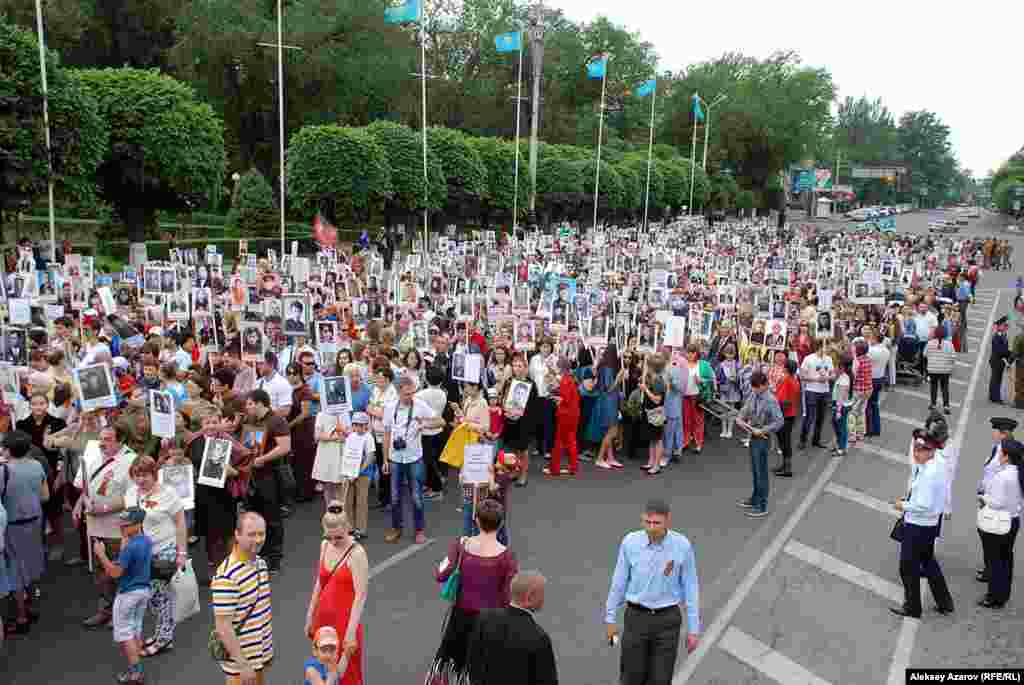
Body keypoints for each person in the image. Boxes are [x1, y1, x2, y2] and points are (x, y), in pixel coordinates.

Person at [604, 498, 700, 685]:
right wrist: (610, 619)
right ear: (642, 519)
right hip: (636, 618)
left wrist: (693, 629)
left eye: (657, 523)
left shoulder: (682, 546)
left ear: (668, 520)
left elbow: (691, 587)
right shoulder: (630, 542)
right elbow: (619, 582)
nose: (651, 528)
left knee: (661, 680)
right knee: (631, 678)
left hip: (667, 620)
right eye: (647, 522)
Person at [430, 500, 519, 684]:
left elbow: (440, 574)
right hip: (492, 622)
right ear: (501, 523)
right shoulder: (508, 556)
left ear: (476, 520)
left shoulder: (461, 545)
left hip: (461, 618)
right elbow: (508, 596)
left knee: (455, 665)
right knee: (486, 670)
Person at [75, 425, 138, 628]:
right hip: (95, 525)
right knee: (100, 572)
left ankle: (122, 613)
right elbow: (87, 487)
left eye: (108, 439)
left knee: (120, 570)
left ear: (121, 441)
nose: (102, 443)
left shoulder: (131, 461)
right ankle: (105, 610)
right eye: (101, 438)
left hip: (117, 527)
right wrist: (78, 504)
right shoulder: (95, 458)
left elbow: (132, 496)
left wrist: (103, 508)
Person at [123, 455, 187, 656]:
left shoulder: (168, 494)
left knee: (160, 597)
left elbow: (180, 523)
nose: (140, 479)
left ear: (154, 474)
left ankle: (164, 639)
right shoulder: (131, 493)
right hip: (142, 553)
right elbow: (130, 524)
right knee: (152, 598)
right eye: (136, 475)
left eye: (145, 475)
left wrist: (181, 552)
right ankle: (161, 633)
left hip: (164, 550)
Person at [890, 429, 954, 619]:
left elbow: (923, 505)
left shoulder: (929, 473)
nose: (916, 453)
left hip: (918, 525)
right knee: (928, 561)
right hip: (930, 524)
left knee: (907, 567)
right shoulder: (936, 464)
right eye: (916, 449)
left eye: (921, 450)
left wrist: (903, 505)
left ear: (931, 450)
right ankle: (944, 602)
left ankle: (913, 607)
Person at [304, 503, 368, 684]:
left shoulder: (357, 553)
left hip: (345, 623)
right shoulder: (324, 545)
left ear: (348, 527)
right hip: (323, 621)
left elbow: (361, 595)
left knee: (347, 674)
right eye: (329, 536)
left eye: (338, 537)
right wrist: (310, 615)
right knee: (323, 671)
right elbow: (319, 583)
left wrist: (351, 632)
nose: (333, 541)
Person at [465, 571, 558, 685]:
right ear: (529, 597)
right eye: (542, 594)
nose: (543, 599)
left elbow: (472, 664)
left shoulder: (484, 619)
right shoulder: (539, 637)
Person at [212, 512, 273, 685]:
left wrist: (266, 652)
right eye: (251, 534)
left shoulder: (260, 563)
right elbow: (223, 626)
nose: (258, 540)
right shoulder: (227, 576)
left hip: (259, 656)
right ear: (237, 535)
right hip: (241, 667)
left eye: (261, 534)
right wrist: (243, 665)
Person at [382, 373, 444, 544]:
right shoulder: (389, 407)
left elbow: (441, 422)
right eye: (406, 394)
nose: (410, 396)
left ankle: (419, 530)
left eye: (412, 393)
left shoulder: (420, 405)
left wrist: (425, 424)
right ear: (398, 392)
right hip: (395, 458)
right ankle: (396, 528)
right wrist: (385, 459)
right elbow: (386, 433)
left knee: (416, 496)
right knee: (395, 497)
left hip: (414, 458)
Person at [93, 507, 152, 684]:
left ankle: (136, 673)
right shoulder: (146, 541)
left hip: (128, 594)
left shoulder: (131, 547)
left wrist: (101, 554)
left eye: (126, 525)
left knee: (124, 634)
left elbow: (115, 573)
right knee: (135, 629)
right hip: (143, 591)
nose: (122, 527)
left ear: (138, 524)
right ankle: (137, 667)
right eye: (121, 524)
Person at [0, 430, 49, 637]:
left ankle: (21, 617)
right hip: (35, 520)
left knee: (16, 570)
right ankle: (32, 606)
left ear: (8, 450)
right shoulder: (36, 465)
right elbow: (45, 496)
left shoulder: (3, 470)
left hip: (13, 524)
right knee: (32, 562)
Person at [243, 389, 292, 573]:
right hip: (253, 476)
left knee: (273, 518)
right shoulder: (252, 421)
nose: (247, 408)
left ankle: (274, 558)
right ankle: (260, 554)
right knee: (256, 517)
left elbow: (285, 447)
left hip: (271, 476)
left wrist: (263, 459)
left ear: (260, 403)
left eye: (250, 404)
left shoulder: (276, 421)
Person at [735, 371, 784, 518]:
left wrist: (762, 430)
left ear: (764, 385)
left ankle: (762, 505)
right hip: (753, 435)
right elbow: (746, 408)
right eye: (753, 387)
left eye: (756, 387)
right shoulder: (754, 395)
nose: (754, 389)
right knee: (755, 470)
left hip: (763, 438)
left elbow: (779, 421)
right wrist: (740, 418)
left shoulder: (771, 400)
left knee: (761, 472)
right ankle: (755, 498)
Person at [976, 417, 1017, 584]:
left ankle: (992, 572)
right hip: (989, 496)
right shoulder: (998, 448)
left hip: (994, 502)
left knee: (990, 537)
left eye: (995, 431)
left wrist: (985, 498)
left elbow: (1000, 479)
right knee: (985, 534)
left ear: (1004, 433)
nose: (992, 433)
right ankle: (989, 568)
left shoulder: (1008, 453)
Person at [546, 357, 581, 477]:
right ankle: (573, 467)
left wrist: (554, 397)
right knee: (571, 440)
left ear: (561, 367)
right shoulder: (570, 378)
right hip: (573, 413)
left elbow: (564, 399)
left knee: (559, 441)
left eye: (557, 365)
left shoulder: (565, 380)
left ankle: (554, 468)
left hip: (565, 414)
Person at [798, 338, 832, 449]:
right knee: (809, 417)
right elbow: (802, 376)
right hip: (811, 391)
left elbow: (832, 374)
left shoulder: (829, 359)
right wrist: (816, 379)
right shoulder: (808, 359)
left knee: (821, 418)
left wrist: (827, 377)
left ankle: (816, 440)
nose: (829, 348)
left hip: (825, 392)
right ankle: (803, 440)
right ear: (820, 347)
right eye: (827, 346)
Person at [773, 359, 800, 477]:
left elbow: (781, 398)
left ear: (786, 368)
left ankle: (787, 467)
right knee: (785, 440)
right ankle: (785, 465)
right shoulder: (794, 380)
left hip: (784, 414)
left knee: (784, 441)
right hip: (791, 413)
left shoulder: (786, 380)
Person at [924, 325, 955, 414]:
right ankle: (946, 405)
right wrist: (951, 366)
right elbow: (953, 357)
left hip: (933, 369)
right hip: (945, 369)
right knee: (945, 387)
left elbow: (924, 354)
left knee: (933, 386)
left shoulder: (930, 343)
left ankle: (933, 404)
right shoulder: (949, 344)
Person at [989, 316, 1011, 404]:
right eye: (1004, 325)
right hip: (996, 360)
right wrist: (1009, 354)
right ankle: (995, 397)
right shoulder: (997, 337)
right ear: (999, 327)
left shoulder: (1003, 335)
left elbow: (1004, 349)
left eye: (1006, 326)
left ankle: (993, 396)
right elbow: (1000, 351)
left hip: (1000, 360)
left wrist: (1008, 353)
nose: (1006, 327)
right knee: (996, 379)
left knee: (997, 379)